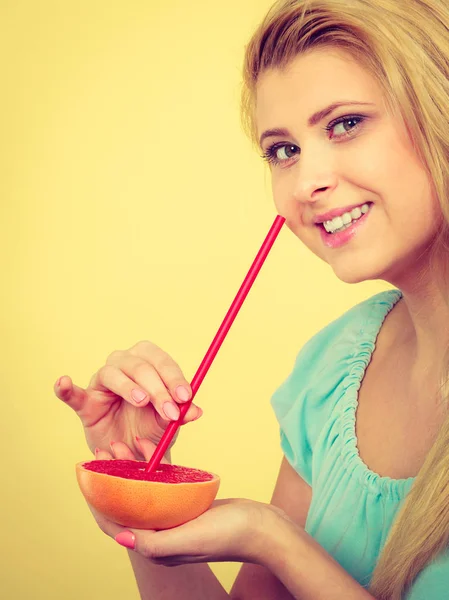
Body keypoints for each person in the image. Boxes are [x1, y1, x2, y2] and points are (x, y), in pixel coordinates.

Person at [53, 0, 449, 598]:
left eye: (344, 123)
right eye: (282, 150)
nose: (306, 181)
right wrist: (140, 490)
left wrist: (275, 539)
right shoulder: (334, 370)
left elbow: (274, 542)